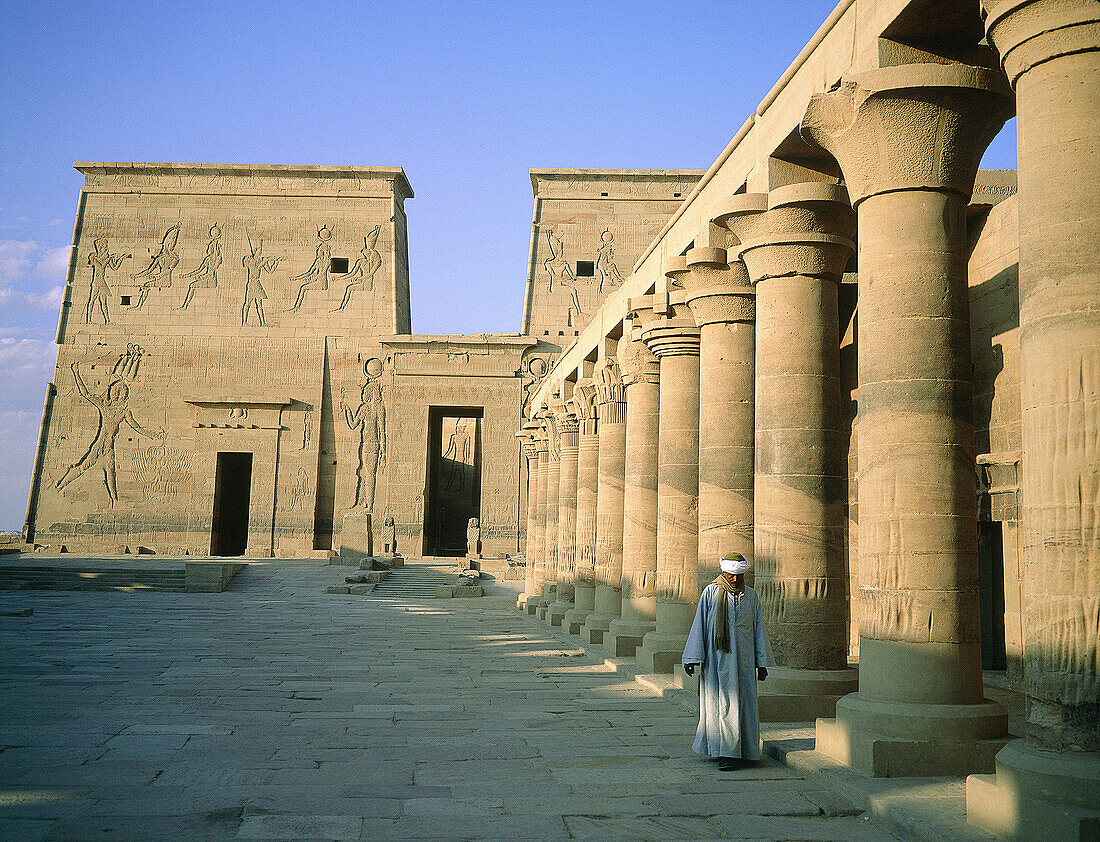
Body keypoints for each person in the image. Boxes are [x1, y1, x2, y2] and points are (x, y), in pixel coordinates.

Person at [682, 551, 769, 772]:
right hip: (716, 662)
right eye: (731, 575)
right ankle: (725, 754)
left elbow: (758, 629)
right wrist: (692, 658)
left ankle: (743, 751)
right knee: (720, 706)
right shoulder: (711, 593)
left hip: (744, 663)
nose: (735, 579)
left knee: (742, 705)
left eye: (739, 575)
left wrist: (762, 662)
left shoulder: (751, 596)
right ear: (724, 572)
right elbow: (699, 625)